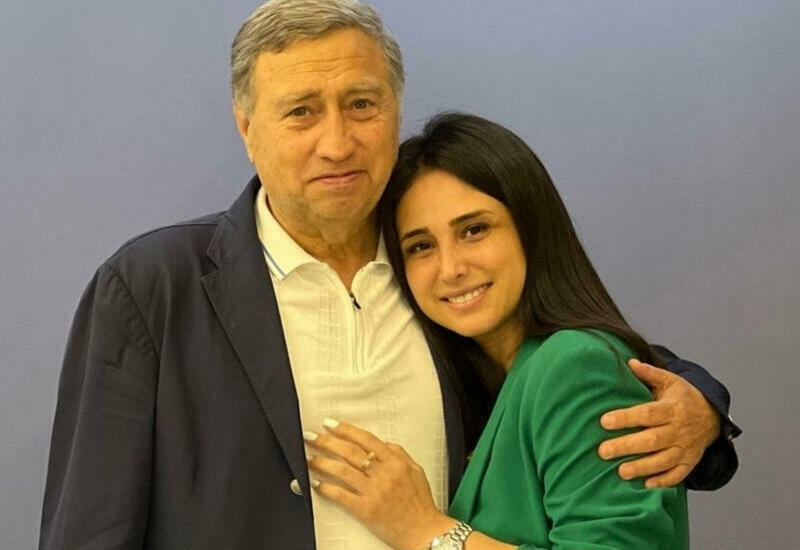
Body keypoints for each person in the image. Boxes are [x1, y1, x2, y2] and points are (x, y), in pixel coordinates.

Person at [38, 1, 739, 549]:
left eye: (362, 104)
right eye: (302, 112)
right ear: (247, 128)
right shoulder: (153, 289)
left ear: (395, 112)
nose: (337, 141)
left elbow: (575, 364)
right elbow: (91, 529)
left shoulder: (434, 272)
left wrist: (702, 407)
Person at [301, 112, 696, 549]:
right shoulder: (489, 381)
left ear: (531, 226)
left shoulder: (575, 366)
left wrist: (423, 529)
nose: (451, 269)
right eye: (421, 246)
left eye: (474, 230)